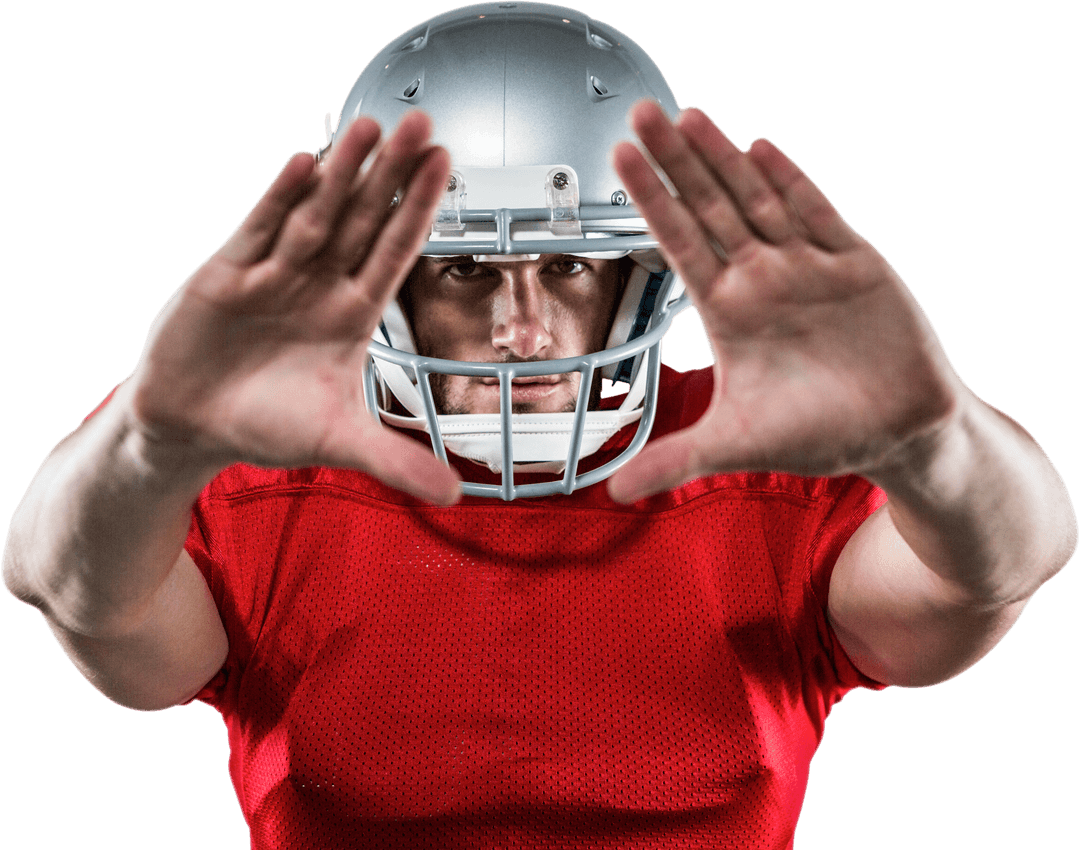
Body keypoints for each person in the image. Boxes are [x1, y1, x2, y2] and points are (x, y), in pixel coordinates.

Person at [2, 2, 1075, 849]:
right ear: (383, 288)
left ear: (645, 275)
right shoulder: (263, 481)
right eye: (466, 269)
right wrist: (151, 437)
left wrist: (928, 435)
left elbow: (1006, 562)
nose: (521, 330)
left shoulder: (764, 468)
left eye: (568, 265)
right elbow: (70, 591)